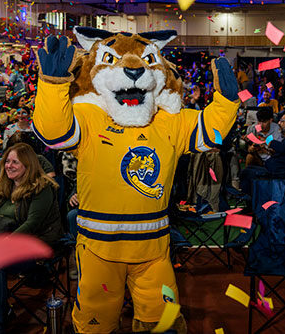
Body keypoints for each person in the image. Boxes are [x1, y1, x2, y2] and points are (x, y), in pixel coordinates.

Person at [33, 30, 240, 334]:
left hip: (153, 250)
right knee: (95, 323)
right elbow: (54, 132)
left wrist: (227, 102)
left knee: (162, 321)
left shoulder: (170, 121)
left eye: (145, 61)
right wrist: (52, 88)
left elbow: (211, 133)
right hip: (99, 250)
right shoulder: (90, 116)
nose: (132, 70)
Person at [0, 143, 63, 333]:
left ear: (28, 164)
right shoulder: (4, 186)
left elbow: (32, 224)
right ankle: (3, 309)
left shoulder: (42, 187)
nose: (9, 165)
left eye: (15, 162)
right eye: (7, 161)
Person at [240, 112, 285, 196]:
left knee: (247, 172)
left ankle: (252, 198)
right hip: (268, 162)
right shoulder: (254, 128)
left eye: (282, 121)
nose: (279, 123)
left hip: (277, 170)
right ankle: (250, 197)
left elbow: (281, 148)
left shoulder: (277, 131)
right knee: (249, 162)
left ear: (270, 120)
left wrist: (266, 141)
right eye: (259, 122)